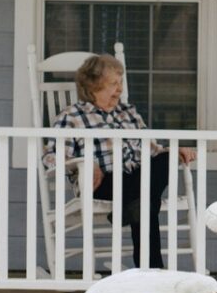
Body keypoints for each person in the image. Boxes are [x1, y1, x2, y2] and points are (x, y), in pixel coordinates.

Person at [42, 53, 195, 269]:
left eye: (121, 82)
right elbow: (50, 158)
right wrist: (86, 162)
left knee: (161, 167)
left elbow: (153, 150)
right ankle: (152, 271)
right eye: (114, 83)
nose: (120, 89)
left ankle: (132, 212)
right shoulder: (71, 116)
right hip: (104, 182)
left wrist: (174, 151)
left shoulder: (129, 113)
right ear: (93, 85)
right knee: (145, 198)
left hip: (138, 178)